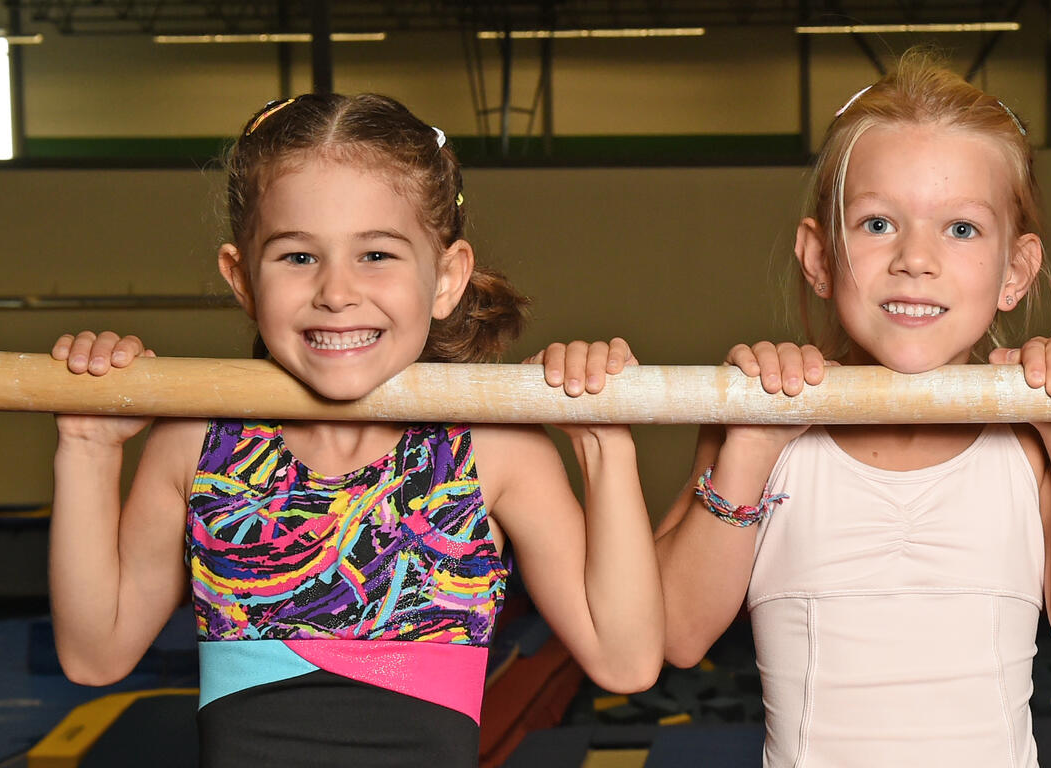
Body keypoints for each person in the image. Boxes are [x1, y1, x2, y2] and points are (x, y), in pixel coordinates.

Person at [46, 93, 663, 767]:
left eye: (375, 255)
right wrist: (87, 446)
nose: (336, 292)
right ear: (243, 279)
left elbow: (625, 660)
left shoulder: (490, 452)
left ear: (446, 278)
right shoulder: (200, 446)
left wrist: (606, 442)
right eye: (297, 257)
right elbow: (94, 654)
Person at [652, 52, 1051, 767]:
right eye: (878, 224)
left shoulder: (1033, 443)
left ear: (1015, 270)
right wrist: (752, 446)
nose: (915, 259)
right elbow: (675, 633)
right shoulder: (763, 425)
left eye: (961, 230)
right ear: (821, 257)